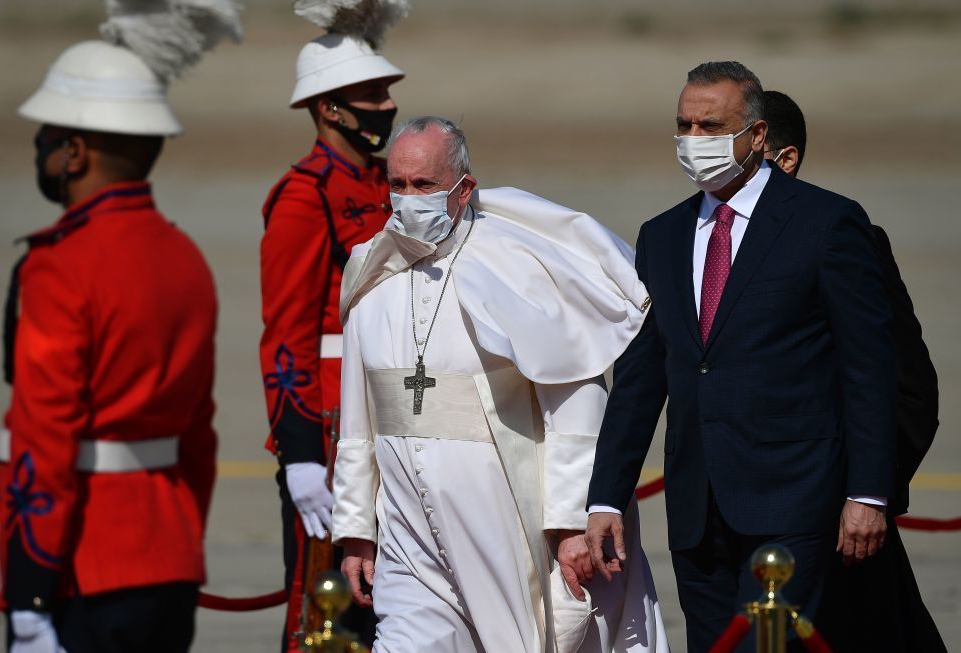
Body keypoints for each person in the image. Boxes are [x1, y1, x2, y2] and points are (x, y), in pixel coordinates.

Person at [585, 62, 897, 653]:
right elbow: (641, 378)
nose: (694, 141)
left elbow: (868, 368)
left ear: (757, 136)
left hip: (793, 499)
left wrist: (869, 493)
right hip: (698, 509)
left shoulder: (826, 223)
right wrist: (606, 497)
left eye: (712, 126)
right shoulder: (664, 235)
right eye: (684, 125)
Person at [332, 116, 668, 653]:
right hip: (407, 537)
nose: (408, 199)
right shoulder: (372, 273)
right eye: (398, 185)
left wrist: (567, 521)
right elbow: (357, 419)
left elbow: (575, 398)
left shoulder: (514, 265)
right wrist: (356, 529)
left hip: (504, 524)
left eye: (424, 186)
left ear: (463, 190)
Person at [0, 27, 236, 653]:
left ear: (74, 152)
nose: (39, 150)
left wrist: (29, 596)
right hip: (170, 561)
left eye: (46, 137)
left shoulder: (60, 266)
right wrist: (182, 541)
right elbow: (199, 436)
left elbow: (44, 435)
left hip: (80, 568)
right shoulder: (186, 258)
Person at [763, 89, 946, 652]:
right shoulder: (689, 245)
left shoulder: (846, 240)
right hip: (730, 525)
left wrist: (866, 494)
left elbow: (909, 387)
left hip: (836, 523)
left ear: (784, 158)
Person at [258, 3, 407, 648]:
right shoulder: (303, 196)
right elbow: (284, 332)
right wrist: (297, 454)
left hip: (391, 408)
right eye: (369, 94)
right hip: (327, 426)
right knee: (323, 605)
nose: (384, 105)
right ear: (329, 108)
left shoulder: (392, 184)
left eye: (384, 92)